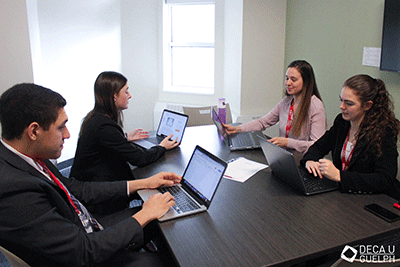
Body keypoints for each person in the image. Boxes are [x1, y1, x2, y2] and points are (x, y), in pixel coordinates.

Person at [0, 83, 181, 266]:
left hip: (87, 226)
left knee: (163, 216)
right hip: (86, 251)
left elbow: (79, 190)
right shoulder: (14, 189)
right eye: (61, 127)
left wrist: (144, 183)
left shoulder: (29, 155)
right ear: (34, 131)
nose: (68, 135)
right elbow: (83, 253)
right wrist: (144, 214)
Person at [70, 71, 179, 214]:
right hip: (97, 199)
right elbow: (140, 159)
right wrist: (161, 147)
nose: (130, 95)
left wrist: (124, 137)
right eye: (126, 91)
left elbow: (104, 144)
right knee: (159, 195)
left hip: (92, 183)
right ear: (114, 96)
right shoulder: (104, 127)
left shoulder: (95, 119)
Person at [301, 74, 400, 198]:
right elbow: (319, 147)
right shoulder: (342, 122)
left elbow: (384, 179)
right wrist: (309, 160)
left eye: (349, 103)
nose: (342, 107)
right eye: (341, 100)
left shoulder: (385, 132)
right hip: (344, 196)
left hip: (373, 200)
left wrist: (339, 176)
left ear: (367, 106)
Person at [224, 60, 326, 154]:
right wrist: (237, 129)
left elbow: (317, 145)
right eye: (287, 78)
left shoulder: (316, 106)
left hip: (304, 160)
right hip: (284, 156)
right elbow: (263, 122)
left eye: (293, 79)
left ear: (306, 82)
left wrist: (287, 142)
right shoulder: (287, 101)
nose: (288, 83)